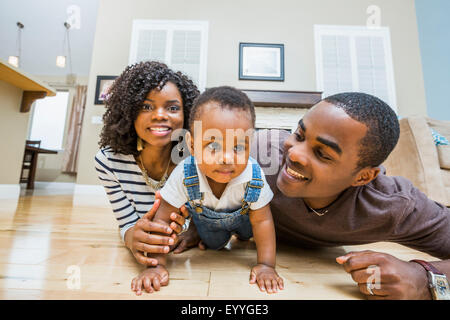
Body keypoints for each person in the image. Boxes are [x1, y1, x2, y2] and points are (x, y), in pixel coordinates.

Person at [174, 92, 450, 300]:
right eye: (299, 134)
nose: (293, 153)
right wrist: (200, 222)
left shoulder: (395, 206)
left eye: (322, 154)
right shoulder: (254, 154)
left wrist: (425, 280)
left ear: (362, 177)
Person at [131, 86, 284, 295]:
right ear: (192, 146)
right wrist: (155, 266)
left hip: (247, 219)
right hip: (210, 225)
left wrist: (266, 265)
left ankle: (241, 236)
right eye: (213, 146)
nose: (227, 158)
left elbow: (263, 221)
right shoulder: (185, 174)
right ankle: (201, 234)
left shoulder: (253, 174)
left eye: (238, 147)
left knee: (250, 231)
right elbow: (162, 220)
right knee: (214, 244)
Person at [95, 61, 200, 266]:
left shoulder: (196, 160)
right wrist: (134, 238)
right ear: (129, 112)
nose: (160, 115)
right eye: (146, 106)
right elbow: (126, 224)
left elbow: (204, 214)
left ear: (186, 114)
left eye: (172, 107)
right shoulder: (108, 162)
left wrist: (194, 230)